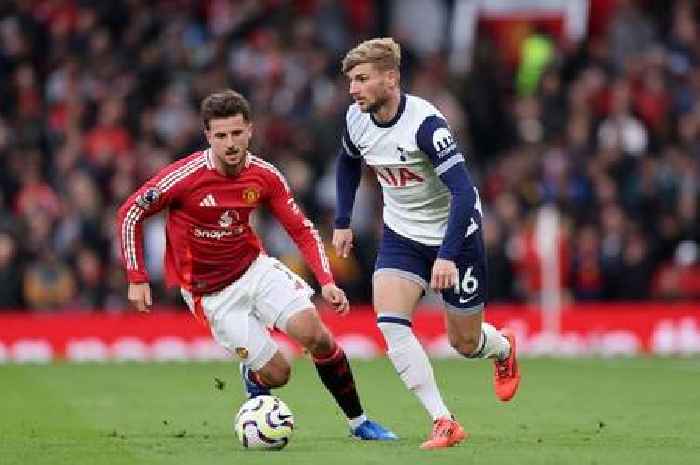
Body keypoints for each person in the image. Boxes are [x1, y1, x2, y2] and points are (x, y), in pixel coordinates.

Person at [116, 89, 396, 441]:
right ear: (208, 136)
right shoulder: (184, 177)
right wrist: (137, 276)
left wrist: (326, 280)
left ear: (250, 129)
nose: (230, 143)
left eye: (236, 133)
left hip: (255, 270)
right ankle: (254, 375)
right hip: (211, 295)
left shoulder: (264, 176)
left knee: (316, 336)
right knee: (279, 373)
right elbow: (131, 213)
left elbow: (301, 228)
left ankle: (360, 423)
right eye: (220, 135)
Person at [333, 38, 521, 449]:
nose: (354, 89)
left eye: (363, 79)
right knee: (390, 322)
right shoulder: (356, 119)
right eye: (351, 81)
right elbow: (348, 161)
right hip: (402, 235)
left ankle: (503, 347)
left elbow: (464, 194)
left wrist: (448, 255)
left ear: (391, 79)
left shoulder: (426, 125)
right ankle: (444, 420)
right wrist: (343, 221)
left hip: (456, 235)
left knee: (465, 344)